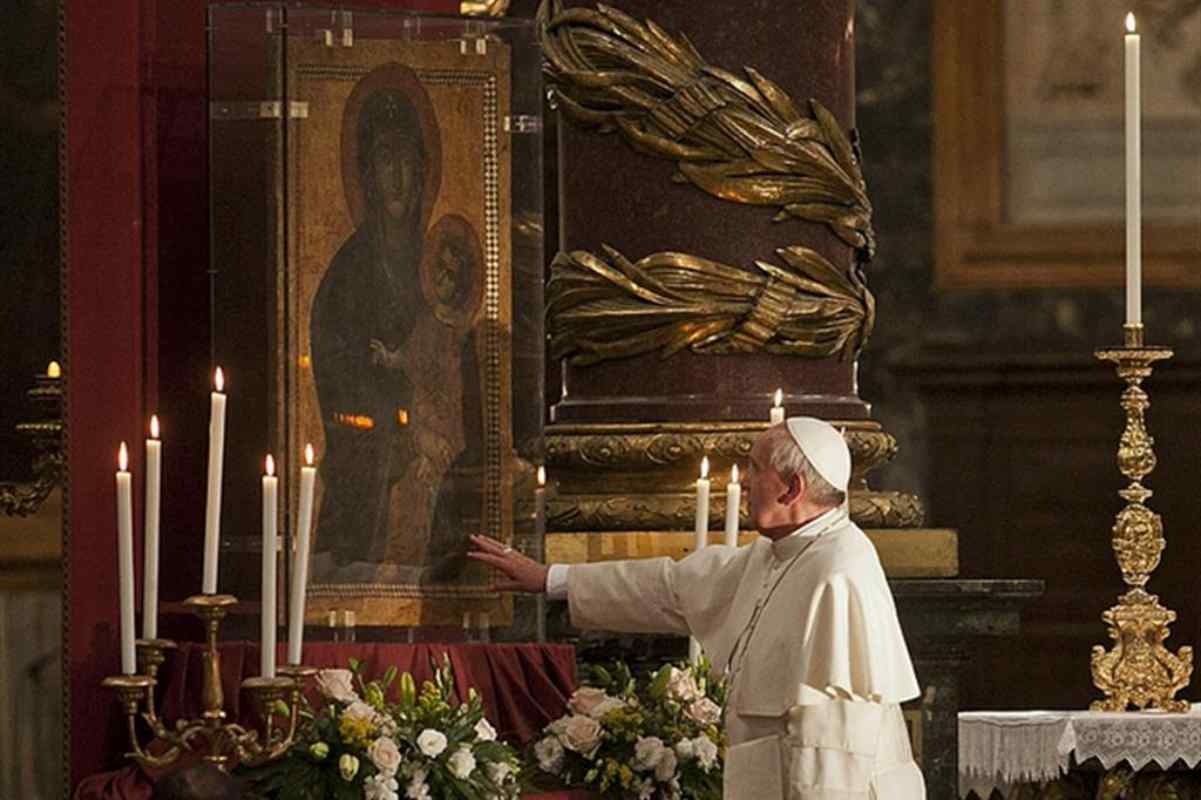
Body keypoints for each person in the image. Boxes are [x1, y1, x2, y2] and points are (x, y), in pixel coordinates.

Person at [469, 417, 925, 799]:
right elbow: (668, 586)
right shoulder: (776, 552)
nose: (745, 482)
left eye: (755, 468)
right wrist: (551, 578)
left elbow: (835, 746)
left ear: (792, 487)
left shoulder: (837, 573)